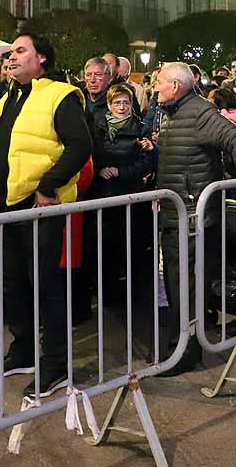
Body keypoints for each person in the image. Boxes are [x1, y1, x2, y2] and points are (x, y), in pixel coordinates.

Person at [0, 34, 92, 399]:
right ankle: (23, 350)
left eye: (20, 50)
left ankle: (55, 364)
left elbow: (81, 145)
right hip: (5, 205)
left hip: (38, 207)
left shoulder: (59, 95)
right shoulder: (8, 97)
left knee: (46, 286)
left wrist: (49, 186)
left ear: (41, 58)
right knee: (12, 284)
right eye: (10, 52)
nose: (12, 57)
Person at [153, 62, 236, 373]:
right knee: (179, 284)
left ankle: (184, 353)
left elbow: (235, 138)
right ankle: (182, 347)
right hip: (178, 212)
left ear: (176, 86)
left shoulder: (199, 112)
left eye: (159, 82)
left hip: (192, 218)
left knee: (185, 285)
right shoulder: (174, 112)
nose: (154, 87)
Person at [92, 84, 156, 309]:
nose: (121, 106)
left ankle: (134, 296)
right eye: (117, 102)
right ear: (109, 104)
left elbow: (148, 161)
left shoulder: (140, 128)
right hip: (105, 194)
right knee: (107, 248)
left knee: (133, 247)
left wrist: (122, 172)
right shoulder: (97, 127)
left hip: (132, 193)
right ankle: (108, 296)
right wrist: (100, 169)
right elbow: (91, 153)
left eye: (126, 102)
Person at [82, 57, 112, 123]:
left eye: (98, 75)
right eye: (88, 75)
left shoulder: (117, 102)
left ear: (109, 78)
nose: (92, 80)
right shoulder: (76, 100)